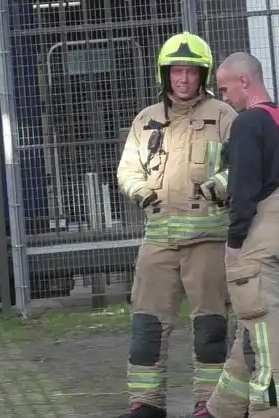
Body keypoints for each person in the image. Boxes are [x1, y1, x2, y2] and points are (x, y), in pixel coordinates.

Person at [115, 32, 238, 418]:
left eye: (190, 72)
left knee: (210, 328)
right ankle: (146, 405)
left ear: (203, 75)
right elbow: (127, 170)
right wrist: (140, 191)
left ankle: (209, 404)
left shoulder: (224, 116)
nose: (182, 80)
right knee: (147, 327)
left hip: (208, 240)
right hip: (159, 241)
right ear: (164, 74)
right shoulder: (146, 120)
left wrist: (220, 185)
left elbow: (244, 166)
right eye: (176, 72)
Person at [203, 52, 279, 418]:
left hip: (260, 238)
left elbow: (243, 187)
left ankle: (272, 410)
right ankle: (221, 409)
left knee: (266, 338)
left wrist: (234, 243)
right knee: (254, 324)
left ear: (244, 82)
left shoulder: (247, 123)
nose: (224, 96)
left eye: (225, 87)